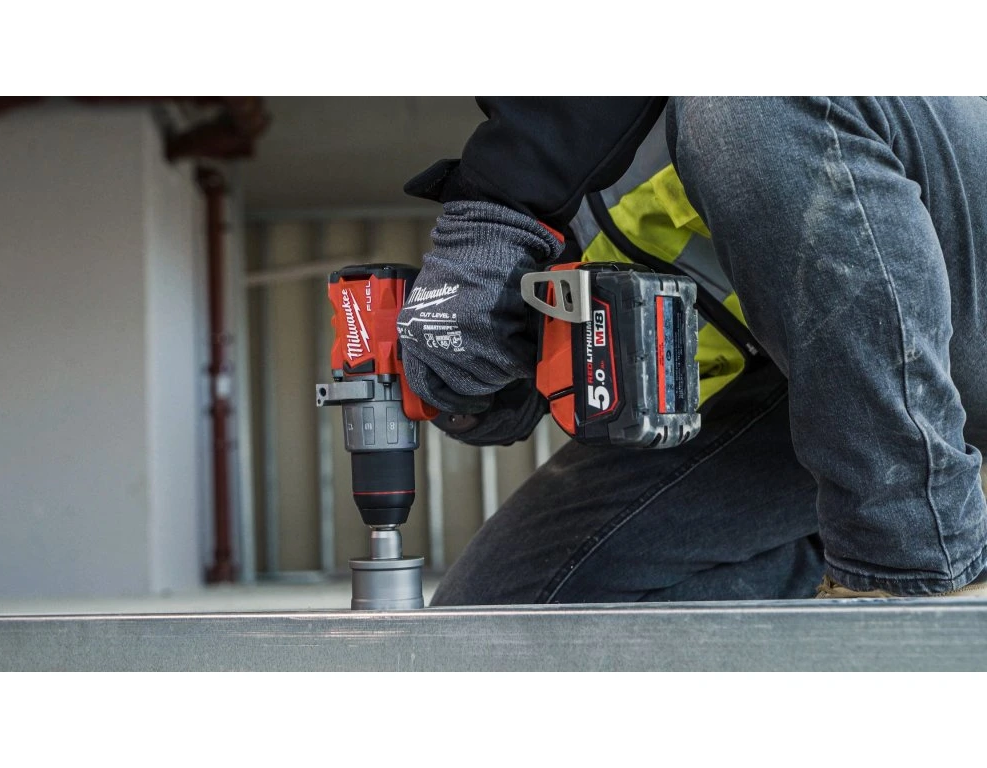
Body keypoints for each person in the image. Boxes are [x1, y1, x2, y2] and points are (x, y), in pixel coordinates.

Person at [395, 97, 987, 603]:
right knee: (504, 613)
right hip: (826, 393)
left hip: (957, 246)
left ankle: (913, 570)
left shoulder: (524, 169)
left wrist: (499, 205)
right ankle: (856, 556)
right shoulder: (548, 184)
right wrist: (500, 368)